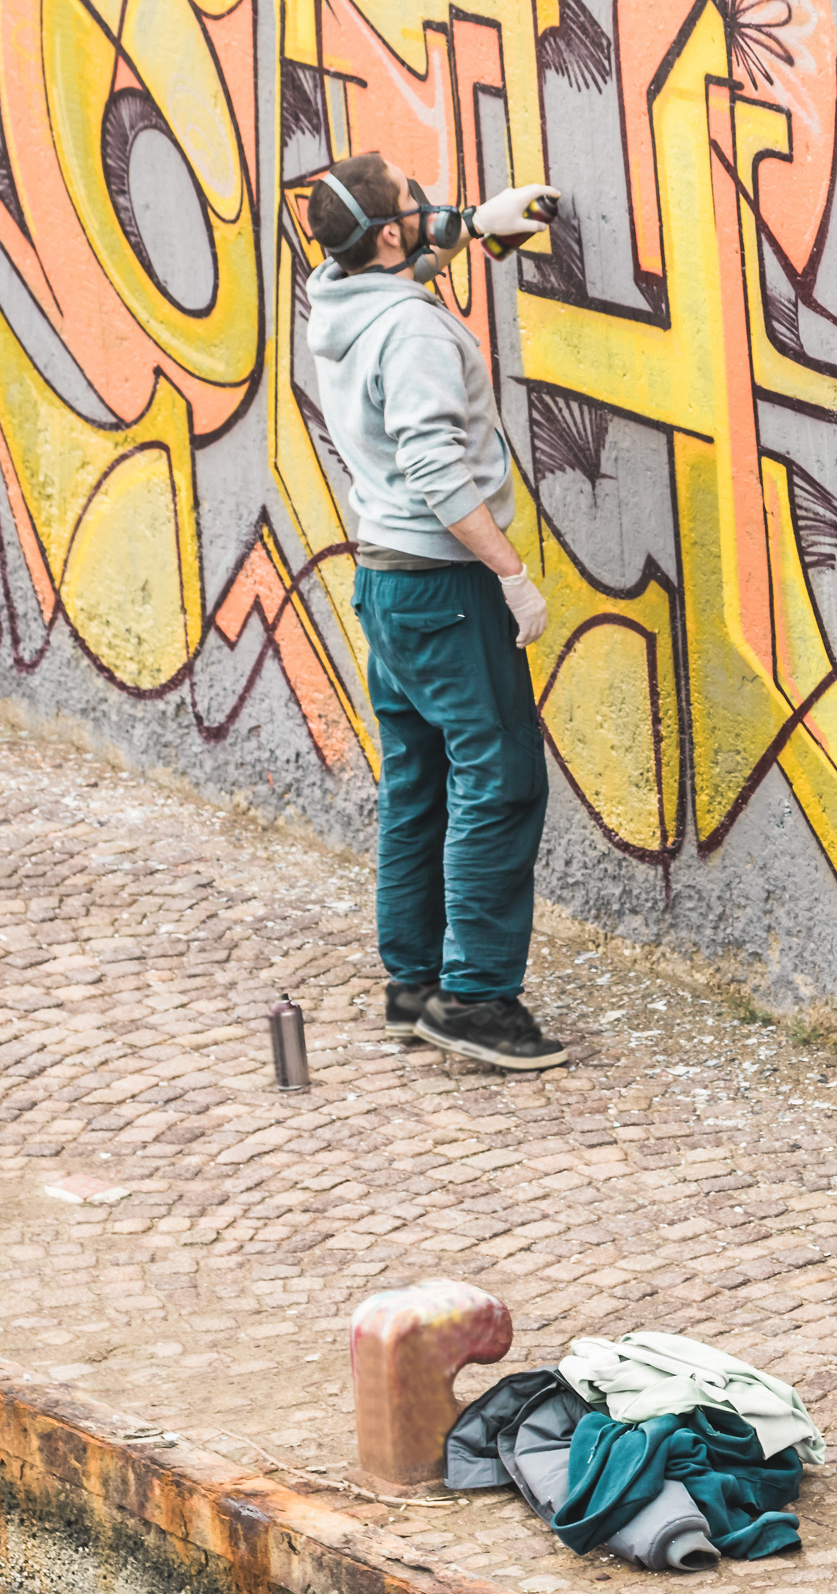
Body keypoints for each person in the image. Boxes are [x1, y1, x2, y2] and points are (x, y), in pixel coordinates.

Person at [303, 153, 567, 1071]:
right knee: (501, 776)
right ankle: (477, 1000)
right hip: (447, 579)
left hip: (385, 579)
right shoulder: (412, 336)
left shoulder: (331, 299)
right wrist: (509, 574)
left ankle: (413, 983)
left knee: (418, 776)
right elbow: (437, 468)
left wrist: (475, 227)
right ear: (386, 235)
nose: (429, 209)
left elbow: (402, 259)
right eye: (415, 203)